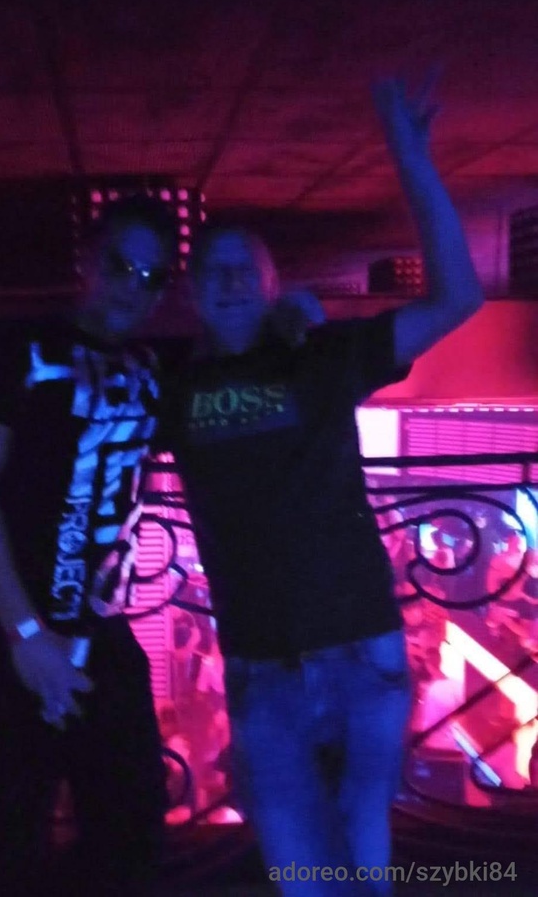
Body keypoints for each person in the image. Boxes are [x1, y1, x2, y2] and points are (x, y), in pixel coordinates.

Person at [158, 75, 484, 895]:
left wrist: (412, 159)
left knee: (358, 860)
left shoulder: (322, 356)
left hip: (358, 646)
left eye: (247, 268)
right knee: (303, 870)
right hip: (263, 661)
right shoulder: (170, 383)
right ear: (192, 292)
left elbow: (459, 297)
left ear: (272, 284)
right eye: (215, 269)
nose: (232, 279)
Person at [0, 195, 178, 897]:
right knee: (8, 849)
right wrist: (26, 634)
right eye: (120, 265)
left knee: (132, 837)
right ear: (87, 261)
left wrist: (292, 312)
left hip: (103, 638)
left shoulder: (156, 364)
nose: (132, 286)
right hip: (4, 641)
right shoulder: (13, 346)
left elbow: (244, 355)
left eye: (151, 276)